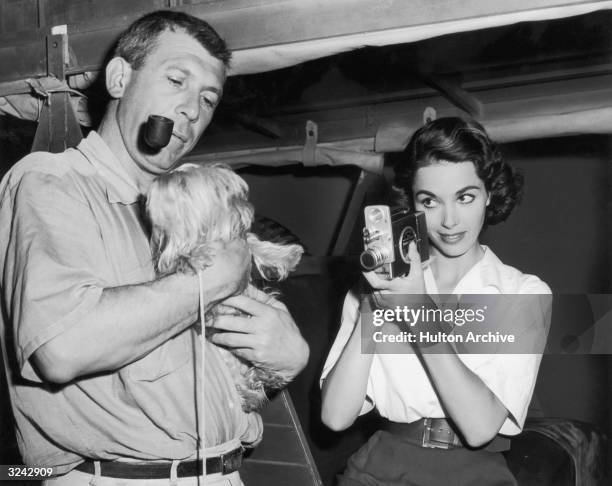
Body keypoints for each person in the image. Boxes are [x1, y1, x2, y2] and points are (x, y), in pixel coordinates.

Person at [0, 10, 308, 486]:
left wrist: (284, 362)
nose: (191, 109)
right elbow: (61, 349)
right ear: (120, 77)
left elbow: (200, 384)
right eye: (176, 80)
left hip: (222, 470)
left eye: (208, 99)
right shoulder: (53, 182)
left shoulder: (189, 213)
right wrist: (212, 278)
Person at [320, 117, 551, 485]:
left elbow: (479, 427)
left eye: (465, 197)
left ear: (489, 194)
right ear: (412, 202)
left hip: (474, 473)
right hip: (381, 467)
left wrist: (417, 311)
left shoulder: (523, 293)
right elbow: (335, 416)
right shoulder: (375, 289)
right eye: (430, 201)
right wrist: (373, 306)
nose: (448, 220)